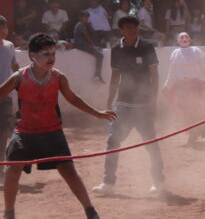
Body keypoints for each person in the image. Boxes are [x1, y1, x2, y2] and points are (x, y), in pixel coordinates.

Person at [0, 33, 117, 219]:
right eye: (45, 54)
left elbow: (73, 99)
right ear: (32, 56)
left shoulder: (58, 77)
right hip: (24, 133)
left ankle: (90, 211)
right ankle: (8, 213)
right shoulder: (19, 77)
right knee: (13, 171)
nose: (51, 58)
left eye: (53, 54)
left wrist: (97, 113)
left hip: (51, 132)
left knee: (69, 171)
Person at [92, 16, 165, 196]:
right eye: (128, 28)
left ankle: (158, 183)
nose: (132, 30)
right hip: (123, 104)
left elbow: (154, 76)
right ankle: (108, 183)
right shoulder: (117, 49)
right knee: (113, 142)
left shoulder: (147, 47)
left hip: (144, 104)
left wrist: (153, 102)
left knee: (151, 144)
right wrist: (109, 104)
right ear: (121, 30)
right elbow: (115, 78)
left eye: (134, 27)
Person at [163, 32, 205, 146]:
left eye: (186, 37)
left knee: (194, 110)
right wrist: (167, 85)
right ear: (178, 41)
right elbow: (171, 71)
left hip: (194, 86)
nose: (184, 39)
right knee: (184, 111)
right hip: (181, 88)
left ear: (190, 39)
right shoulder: (175, 53)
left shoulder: (196, 51)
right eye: (181, 37)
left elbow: (203, 67)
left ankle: (195, 133)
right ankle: (199, 128)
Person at [0, 16, 19, 182]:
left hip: (5, 96)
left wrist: (20, 83)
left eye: (5, 28)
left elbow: (15, 67)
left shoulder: (9, 46)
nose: (3, 31)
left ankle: (0, 171)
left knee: (3, 132)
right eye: (1, 28)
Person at [73, 11, 104, 84]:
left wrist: (89, 26)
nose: (87, 18)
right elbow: (87, 36)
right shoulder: (81, 25)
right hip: (82, 45)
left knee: (100, 55)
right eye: (85, 17)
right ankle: (97, 75)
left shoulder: (82, 24)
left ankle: (97, 75)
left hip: (82, 44)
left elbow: (92, 34)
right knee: (100, 55)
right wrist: (94, 46)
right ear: (80, 18)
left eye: (87, 17)